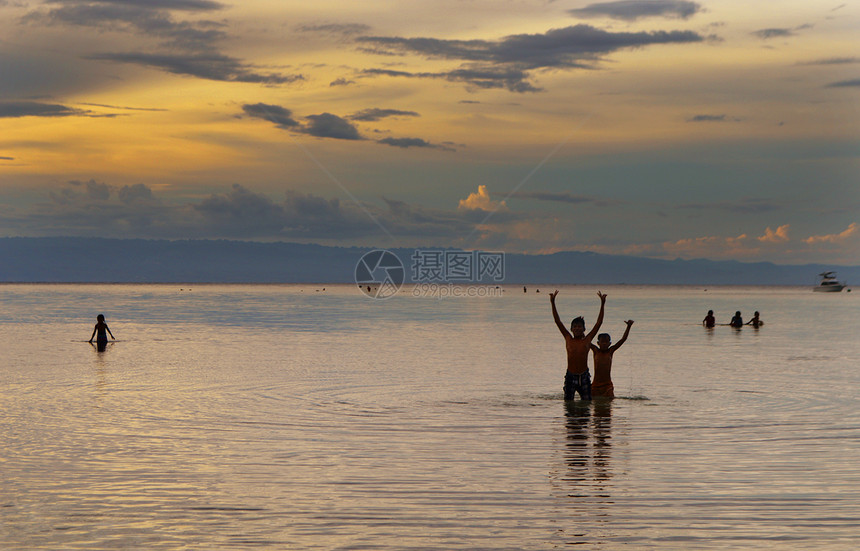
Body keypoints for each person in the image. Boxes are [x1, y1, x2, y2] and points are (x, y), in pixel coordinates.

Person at [550, 290, 606, 401]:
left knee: (587, 404)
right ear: (571, 329)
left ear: (584, 329)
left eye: (579, 326)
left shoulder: (587, 340)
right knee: (568, 404)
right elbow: (557, 321)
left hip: (584, 376)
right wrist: (552, 302)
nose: (577, 328)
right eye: (574, 326)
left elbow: (599, 323)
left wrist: (602, 304)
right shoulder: (568, 338)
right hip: (570, 375)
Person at [589, 320, 634, 398]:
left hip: (607, 385)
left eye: (606, 342)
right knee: (595, 405)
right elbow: (586, 340)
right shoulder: (596, 351)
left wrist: (628, 327)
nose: (604, 344)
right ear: (598, 343)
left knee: (609, 404)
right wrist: (581, 330)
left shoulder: (610, 351)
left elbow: (623, 339)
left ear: (609, 343)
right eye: (602, 342)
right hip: (596, 384)